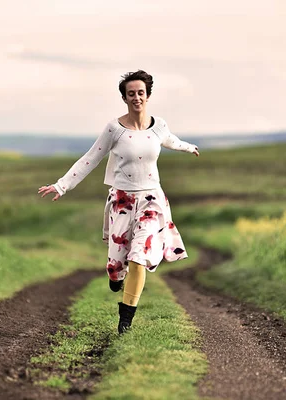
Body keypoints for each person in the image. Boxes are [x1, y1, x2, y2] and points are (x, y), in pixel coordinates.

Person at [38, 70, 199, 334]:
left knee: (139, 258)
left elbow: (170, 140)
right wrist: (61, 185)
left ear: (148, 95)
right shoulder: (114, 129)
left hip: (151, 201)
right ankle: (115, 275)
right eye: (131, 94)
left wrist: (188, 146)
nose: (137, 98)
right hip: (122, 202)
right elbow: (90, 158)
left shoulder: (159, 126)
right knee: (117, 266)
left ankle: (125, 321)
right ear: (124, 98)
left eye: (141, 93)